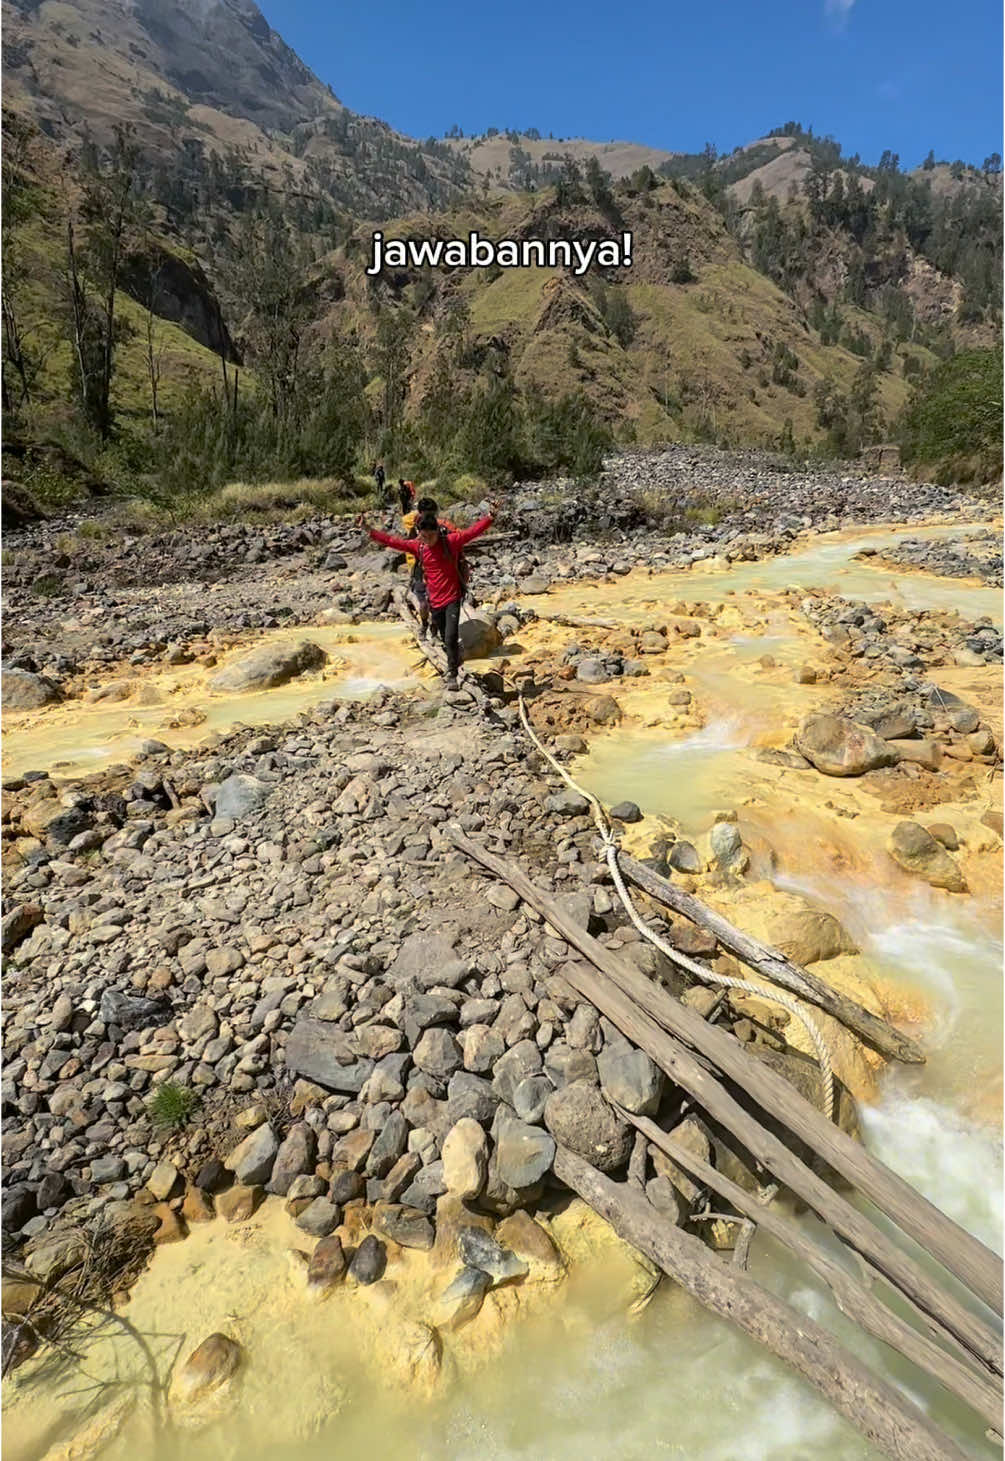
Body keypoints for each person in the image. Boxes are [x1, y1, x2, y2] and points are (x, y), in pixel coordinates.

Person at [357, 502, 498, 688]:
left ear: (438, 531)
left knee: (451, 635)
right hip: (435, 600)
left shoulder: (451, 542)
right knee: (442, 635)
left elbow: (472, 532)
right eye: (424, 536)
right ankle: (453, 658)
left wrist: (490, 517)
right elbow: (392, 542)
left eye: (432, 535)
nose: (429, 539)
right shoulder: (419, 547)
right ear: (419, 533)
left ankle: (452, 675)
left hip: (453, 597)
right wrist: (368, 529)